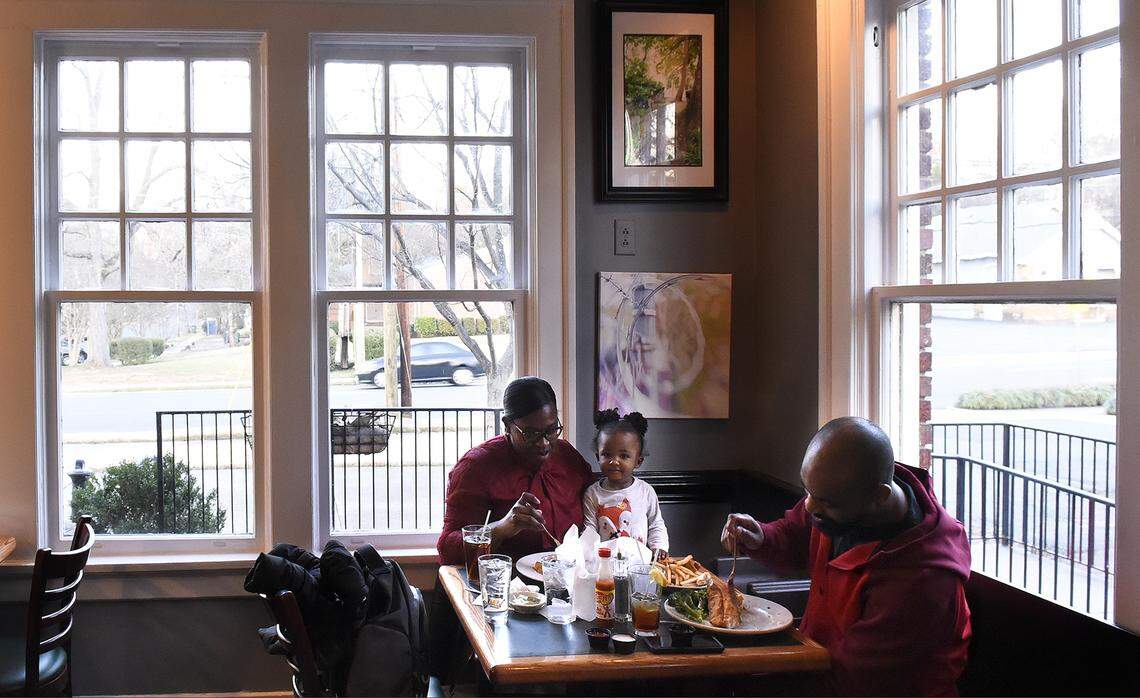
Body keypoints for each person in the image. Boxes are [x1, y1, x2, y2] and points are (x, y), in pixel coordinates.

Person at [721, 417, 972, 696]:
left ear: (880, 496)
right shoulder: (841, 494)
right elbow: (796, 536)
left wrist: (746, 681)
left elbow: (853, 683)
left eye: (824, 502)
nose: (809, 505)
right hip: (814, 671)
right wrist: (762, 538)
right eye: (807, 491)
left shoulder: (922, 580)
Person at [436, 376, 593, 565]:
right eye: (530, 433)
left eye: (551, 430)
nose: (543, 443)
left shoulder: (568, 457)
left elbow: (597, 506)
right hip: (500, 584)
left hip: (566, 580)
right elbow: (447, 550)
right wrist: (502, 528)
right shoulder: (476, 467)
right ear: (507, 426)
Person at [582, 409, 669, 557]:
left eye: (624, 456)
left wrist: (659, 547)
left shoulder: (645, 491)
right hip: (605, 565)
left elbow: (656, 524)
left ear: (638, 461)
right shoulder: (593, 493)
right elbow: (589, 530)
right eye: (606, 454)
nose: (614, 461)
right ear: (598, 456)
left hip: (639, 565)